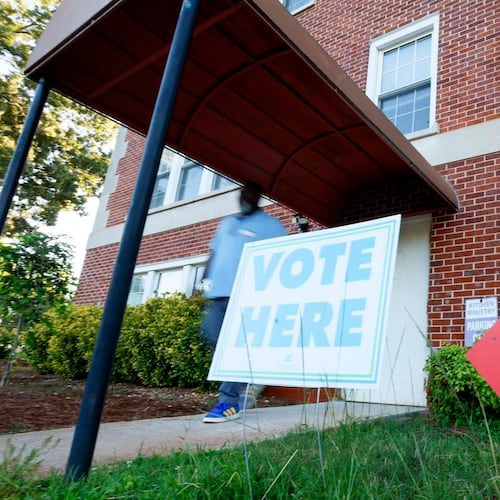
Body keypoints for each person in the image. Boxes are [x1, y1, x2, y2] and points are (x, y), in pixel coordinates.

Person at [200, 180, 286, 423]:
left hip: (246, 296)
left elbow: (280, 259)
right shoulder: (227, 223)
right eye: (242, 194)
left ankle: (228, 402)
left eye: (250, 194)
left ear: (258, 197)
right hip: (217, 295)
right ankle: (249, 373)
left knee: (234, 348)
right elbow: (214, 253)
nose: (245, 198)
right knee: (213, 337)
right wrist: (203, 283)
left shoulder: (271, 226)